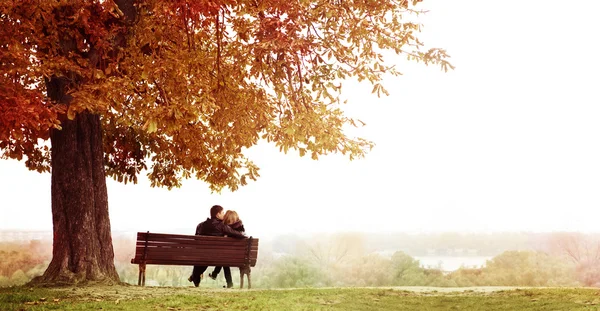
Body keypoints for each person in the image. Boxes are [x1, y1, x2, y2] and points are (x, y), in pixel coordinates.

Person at [189, 205, 246, 287]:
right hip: (218, 256)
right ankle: (229, 283)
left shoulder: (200, 225)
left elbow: (196, 241)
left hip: (202, 256)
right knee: (223, 257)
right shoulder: (222, 226)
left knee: (204, 258)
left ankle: (195, 277)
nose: (224, 215)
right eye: (222, 213)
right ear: (218, 214)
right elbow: (240, 235)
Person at [206, 210, 245, 282]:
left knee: (223, 259)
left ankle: (217, 275)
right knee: (224, 259)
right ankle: (219, 277)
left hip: (228, 256)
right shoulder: (240, 229)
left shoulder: (226, 229)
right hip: (240, 257)